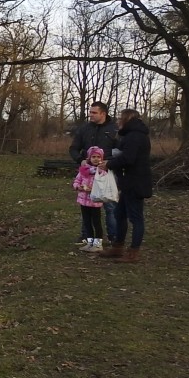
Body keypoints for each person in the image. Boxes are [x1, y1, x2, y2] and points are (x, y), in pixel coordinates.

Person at [100, 109, 152, 263]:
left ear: (127, 119)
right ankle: (118, 246)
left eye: (119, 119)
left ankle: (133, 253)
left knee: (136, 218)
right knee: (120, 214)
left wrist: (108, 164)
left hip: (136, 182)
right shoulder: (132, 135)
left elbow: (128, 158)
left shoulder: (135, 136)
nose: (117, 122)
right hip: (129, 182)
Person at [70, 101, 118, 245]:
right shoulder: (84, 129)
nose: (90, 115)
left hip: (108, 172)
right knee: (86, 206)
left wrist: (110, 163)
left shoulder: (115, 129)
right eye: (90, 112)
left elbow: (121, 150)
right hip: (86, 174)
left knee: (110, 206)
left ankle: (113, 237)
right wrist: (80, 160)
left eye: (94, 112)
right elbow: (73, 148)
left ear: (103, 113)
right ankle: (86, 236)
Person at [72, 146, 108, 252]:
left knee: (96, 222)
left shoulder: (102, 172)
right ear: (89, 158)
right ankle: (90, 242)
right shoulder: (84, 170)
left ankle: (98, 244)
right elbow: (77, 181)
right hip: (83, 200)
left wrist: (92, 189)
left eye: (98, 157)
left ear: (101, 158)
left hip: (95, 202)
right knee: (87, 222)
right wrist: (77, 187)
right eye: (93, 156)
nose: (96, 159)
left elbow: (104, 186)